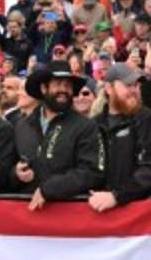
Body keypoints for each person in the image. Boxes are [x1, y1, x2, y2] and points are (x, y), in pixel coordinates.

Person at [13, 61, 105, 210]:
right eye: (58, 84)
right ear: (44, 88)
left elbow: (92, 172)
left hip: (68, 216)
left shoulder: (86, 126)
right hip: (28, 217)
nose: (64, 90)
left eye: (68, 85)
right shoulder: (22, 126)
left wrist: (50, 189)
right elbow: (11, 166)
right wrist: (16, 173)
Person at [88, 65, 151, 213]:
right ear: (108, 88)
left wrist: (117, 196)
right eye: (128, 85)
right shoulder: (93, 125)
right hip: (98, 212)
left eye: (136, 85)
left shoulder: (148, 119)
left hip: (141, 214)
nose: (134, 90)